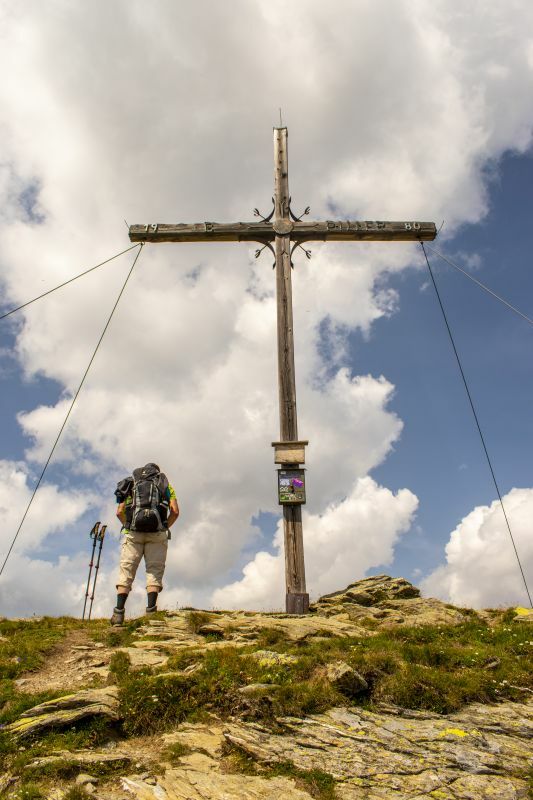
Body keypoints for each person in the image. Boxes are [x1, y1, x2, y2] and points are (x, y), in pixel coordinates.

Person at [110, 463, 179, 625]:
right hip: (157, 534)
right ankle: (151, 614)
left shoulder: (132, 484)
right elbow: (175, 511)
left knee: (127, 570)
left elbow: (119, 511)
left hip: (133, 533)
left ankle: (118, 614)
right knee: (154, 571)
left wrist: (128, 525)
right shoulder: (164, 484)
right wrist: (163, 527)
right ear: (157, 472)